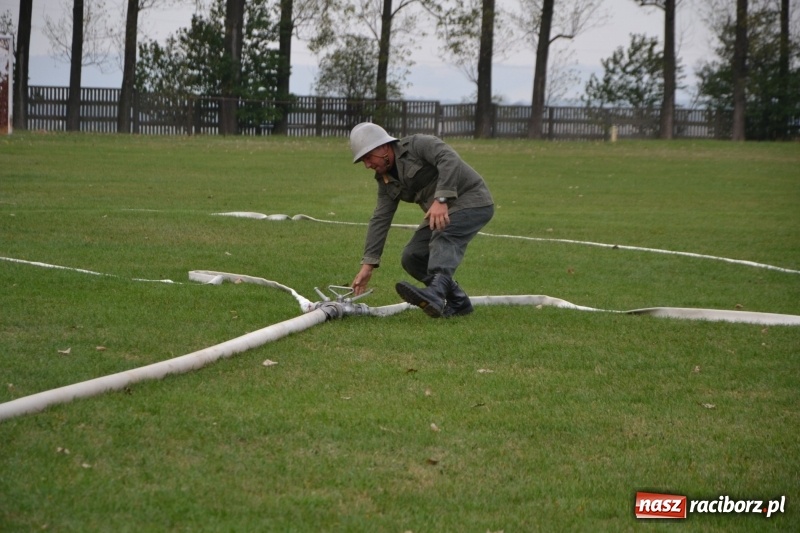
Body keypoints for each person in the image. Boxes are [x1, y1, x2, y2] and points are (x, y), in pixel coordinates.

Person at [348, 122, 494, 318]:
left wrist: (441, 199)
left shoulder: (418, 145)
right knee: (412, 256)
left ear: (382, 147)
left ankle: (435, 293)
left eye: (368, 157)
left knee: (444, 233)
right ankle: (458, 302)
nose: (367, 165)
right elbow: (380, 218)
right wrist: (368, 265)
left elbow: (449, 158)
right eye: (363, 161)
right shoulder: (385, 180)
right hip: (442, 212)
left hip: (472, 200)